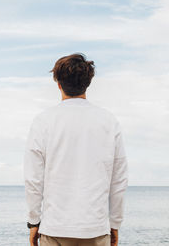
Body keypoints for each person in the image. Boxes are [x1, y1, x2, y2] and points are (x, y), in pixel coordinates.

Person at [24, 53, 128, 246]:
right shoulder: (108, 121)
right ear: (88, 83)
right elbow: (119, 180)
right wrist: (114, 223)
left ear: (58, 84)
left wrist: (33, 222)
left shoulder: (43, 121)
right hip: (96, 229)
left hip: (55, 229)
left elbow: (33, 180)